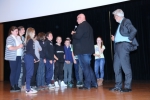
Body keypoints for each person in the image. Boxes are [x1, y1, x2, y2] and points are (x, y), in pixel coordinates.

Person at [110, 9, 138, 92]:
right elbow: (122, 34)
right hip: (118, 46)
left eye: (115, 16)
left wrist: (130, 39)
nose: (114, 18)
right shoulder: (120, 24)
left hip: (123, 46)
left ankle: (127, 87)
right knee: (116, 67)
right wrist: (115, 39)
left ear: (118, 16)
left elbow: (134, 30)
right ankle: (118, 86)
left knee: (125, 66)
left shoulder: (126, 21)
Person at [71, 13, 97, 89]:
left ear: (82, 18)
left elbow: (78, 36)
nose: (77, 20)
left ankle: (87, 84)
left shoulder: (82, 26)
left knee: (85, 68)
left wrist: (73, 34)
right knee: (88, 67)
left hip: (83, 51)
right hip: (87, 50)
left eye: (78, 18)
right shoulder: (88, 26)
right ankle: (94, 83)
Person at [5, 26, 23, 92]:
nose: (17, 32)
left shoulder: (18, 37)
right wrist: (18, 47)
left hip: (19, 56)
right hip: (13, 57)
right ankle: (12, 86)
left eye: (17, 31)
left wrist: (22, 46)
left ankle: (16, 85)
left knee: (18, 71)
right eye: (16, 31)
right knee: (14, 71)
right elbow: (10, 48)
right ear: (11, 31)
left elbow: (21, 45)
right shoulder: (9, 38)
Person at [24, 27, 39, 94]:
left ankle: (28, 87)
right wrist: (36, 58)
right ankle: (28, 89)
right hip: (29, 57)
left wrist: (33, 58)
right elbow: (31, 52)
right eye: (34, 32)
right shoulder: (30, 40)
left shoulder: (29, 40)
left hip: (29, 57)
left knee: (30, 73)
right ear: (31, 33)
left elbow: (30, 51)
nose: (34, 33)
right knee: (29, 73)